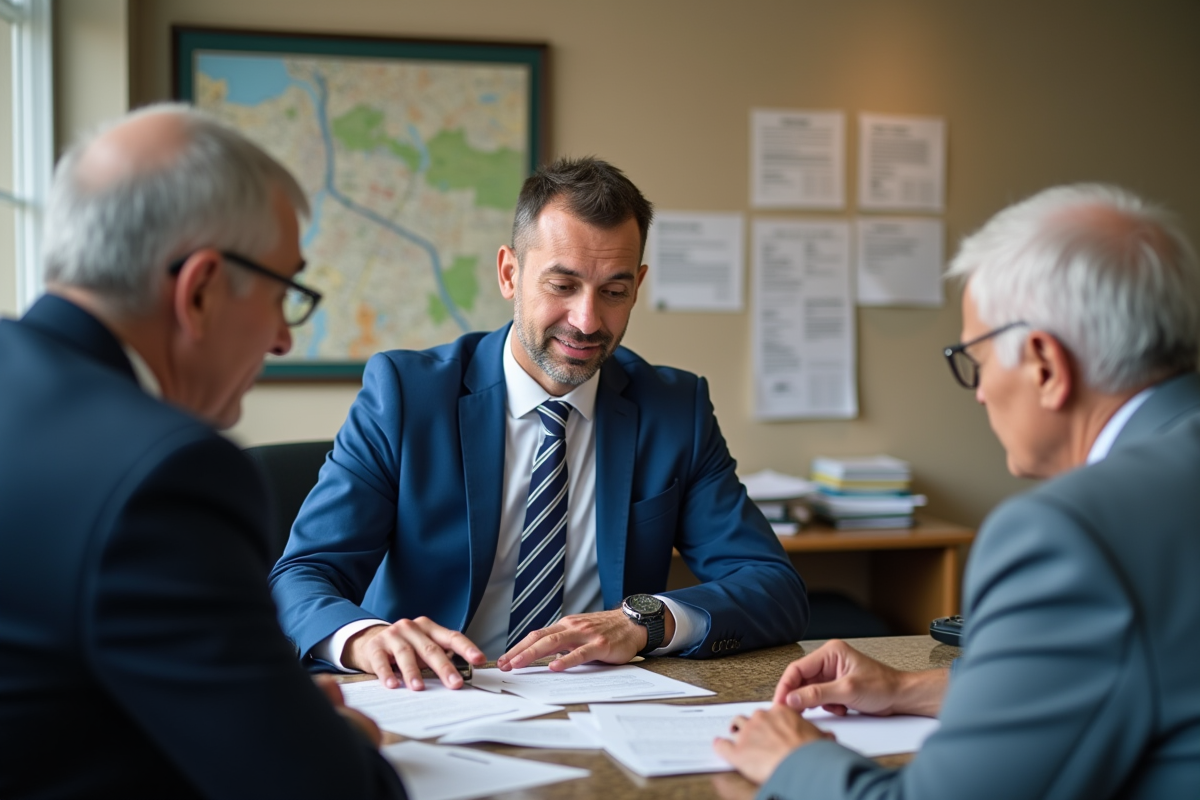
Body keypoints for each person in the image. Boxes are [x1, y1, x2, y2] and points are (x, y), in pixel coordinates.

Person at [714, 183, 1200, 799]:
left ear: (1045, 365)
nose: (979, 392)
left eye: (978, 361)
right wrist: (905, 688)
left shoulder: (1070, 536)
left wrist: (794, 761)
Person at [269, 157, 808, 690]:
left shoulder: (674, 408)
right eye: (562, 285)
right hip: (438, 698)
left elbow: (773, 586)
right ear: (510, 273)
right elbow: (302, 576)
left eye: (614, 292)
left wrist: (643, 619)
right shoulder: (407, 395)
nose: (587, 320)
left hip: (605, 706)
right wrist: (364, 638)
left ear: (638, 286)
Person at [0, 104, 406, 799]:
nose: (282, 339)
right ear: (202, 289)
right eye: (286, 294)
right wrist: (343, 737)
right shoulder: (164, 476)